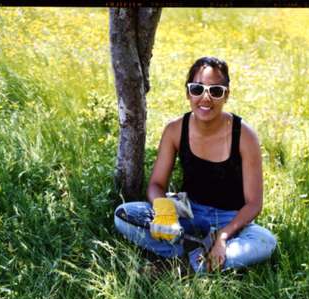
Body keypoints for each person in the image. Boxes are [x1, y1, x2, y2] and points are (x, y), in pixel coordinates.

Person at [114, 56, 277, 273]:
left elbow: (254, 203)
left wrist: (223, 237)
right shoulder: (175, 130)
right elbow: (156, 184)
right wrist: (164, 211)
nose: (205, 98)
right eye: (197, 89)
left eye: (216, 91)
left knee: (265, 241)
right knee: (123, 214)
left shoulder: (244, 135)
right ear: (188, 93)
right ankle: (201, 260)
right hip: (188, 217)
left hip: (230, 221)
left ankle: (181, 261)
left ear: (226, 95)